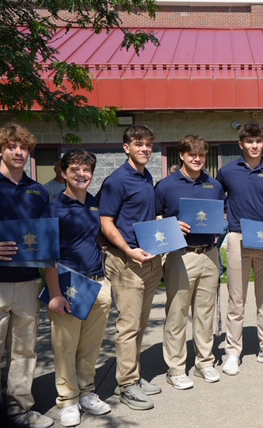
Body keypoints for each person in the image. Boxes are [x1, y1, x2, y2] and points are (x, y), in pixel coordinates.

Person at [43, 150, 112, 426]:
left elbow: (98, 235)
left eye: (86, 169)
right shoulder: (53, 208)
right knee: (66, 347)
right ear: (63, 172)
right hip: (69, 285)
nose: (81, 174)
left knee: (90, 346)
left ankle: (86, 392)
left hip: (98, 284)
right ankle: (68, 401)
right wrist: (55, 293)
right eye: (75, 169)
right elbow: (48, 254)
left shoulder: (94, 204)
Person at [99, 125, 163, 410]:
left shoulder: (146, 176)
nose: (145, 149)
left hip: (149, 260)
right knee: (127, 326)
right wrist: (127, 250)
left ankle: (133, 377)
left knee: (140, 323)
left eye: (148, 144)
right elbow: (106, 222)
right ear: (126, 147)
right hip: (126, 262)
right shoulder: (117, 180)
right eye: (138, 144)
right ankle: (125, 385)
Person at [217, 122, 263, 376]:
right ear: (241, 144)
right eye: (249, 141)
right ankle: (233, 352)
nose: (254, 146)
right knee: (236, 299)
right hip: (237, 238)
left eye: (258, 141)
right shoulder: (227, 172)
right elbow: (216, 201)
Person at [155, 135, 225, 389]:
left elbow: (219, 214)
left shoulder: (214, 185)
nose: (197, 159)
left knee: (205, 313)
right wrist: (171, 224)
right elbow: (155, 218)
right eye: (192, 154)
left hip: (209, 253)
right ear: (182, 155)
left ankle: (205, 362)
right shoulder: (165, 186)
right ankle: (175, 368)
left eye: (202, 155)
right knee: (177, 312)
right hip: (181, 255)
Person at [0, 123, 53, 428]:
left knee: (24, 349)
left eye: (24, 147)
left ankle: (19, 409)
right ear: (1, 149)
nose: (19, 152)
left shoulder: (38, 190)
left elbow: (46, 238)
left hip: (29, 280)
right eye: (12, 146)